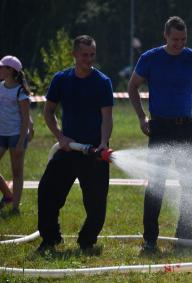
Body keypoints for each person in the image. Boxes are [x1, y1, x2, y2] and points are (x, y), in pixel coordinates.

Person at [128, 16, 192, 252]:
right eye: (175, 39)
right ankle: (150, 239)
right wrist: (142, 117)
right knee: (156, 185)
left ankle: (184, 236)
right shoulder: (150, 58)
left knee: (191, 184)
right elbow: (133, 86)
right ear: (166, 36)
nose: (179, 44)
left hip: (186, 127)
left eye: (183, 40)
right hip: (159, 128)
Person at [37, 35, 114, 252]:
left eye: (92, 55)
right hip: (68, 148)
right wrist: (60, 137)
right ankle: (50, 238)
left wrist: (102, 143)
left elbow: (107, 117)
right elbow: (48, 111)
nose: (88, 59)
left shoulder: (102, 82)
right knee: (47, 193)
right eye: (84, 55)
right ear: (74, 54)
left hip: (94, 152)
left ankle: (87, 242)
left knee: (96, 203)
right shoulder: (61, 80)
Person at [0, 55, 34, 213]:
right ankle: (8, 195)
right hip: (1, 134)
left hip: (16, 135)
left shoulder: (20, 91)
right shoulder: (0, 87)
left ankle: (15, 208)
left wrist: (21, 141)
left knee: (17, 172)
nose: (0, 69)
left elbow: (26, 119)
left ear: (10, 70)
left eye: (2, 67)